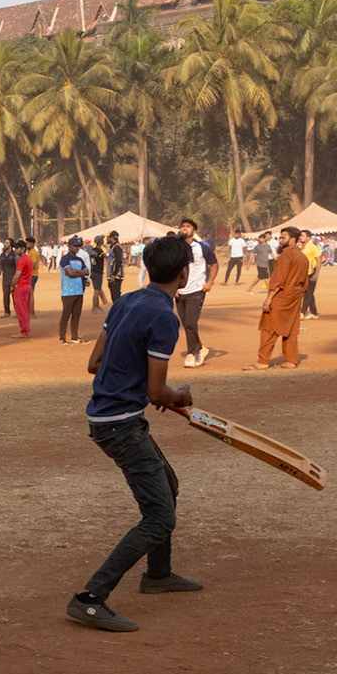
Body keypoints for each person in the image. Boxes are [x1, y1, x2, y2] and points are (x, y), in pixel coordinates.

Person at [67, 233, 200, 633]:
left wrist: (137, 385)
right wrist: (180, 395)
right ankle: (90, 598)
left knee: (168, 486)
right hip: (120, 425)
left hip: (112, 418)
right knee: (160, 517)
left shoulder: (128, 300)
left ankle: (158, 576)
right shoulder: (164, 317)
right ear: (183, 274)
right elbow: (157, 391)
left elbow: (94, 363)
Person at [246, 226, 310, 371]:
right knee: (291, 329)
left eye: (283, 238)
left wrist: (268, 299)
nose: (280, 241)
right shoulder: (302, 257)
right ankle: (291, 360)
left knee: (269, 328)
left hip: (282, 296)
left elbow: (278, 281)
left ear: (292, 240)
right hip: (295, 297)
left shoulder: (285, 257)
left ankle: (263, 361)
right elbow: (305, 282)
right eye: (280, 238)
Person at [174, 219, 216, 367]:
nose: (185, 229)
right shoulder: (176, 248)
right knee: (186, 324)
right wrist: (174, 289)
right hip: (180, 291)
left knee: (191, 322)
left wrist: (209, 282)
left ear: (195, 231)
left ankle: (192, 354)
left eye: (188, 226)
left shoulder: (202, 248)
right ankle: (200, 348)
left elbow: (214, 264)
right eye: (183, 226)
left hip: (197, 290)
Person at [58, 237, 90, 344]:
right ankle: (62, 337)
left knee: (76, 315)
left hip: (79, 290)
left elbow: (86, 272)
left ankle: (74, 336)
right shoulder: (65, 259)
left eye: (78, 246)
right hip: (68, 291)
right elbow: (71, 273)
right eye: (75, 246)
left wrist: (75, 271)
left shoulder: (80, 259)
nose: (77, 248)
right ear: (69, 246)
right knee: (66, 314)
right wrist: (79, 272)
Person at [11, 241, 36, 337]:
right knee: (25, 309)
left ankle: (24, 331)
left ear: (22, 249)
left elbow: (17, 275)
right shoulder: (28, 259)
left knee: (21, 310)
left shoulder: (21, 260)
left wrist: (12, 285)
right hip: (28, 286)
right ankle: (26, 328)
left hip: (21, 286)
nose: (15, 250)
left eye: (17, 248)